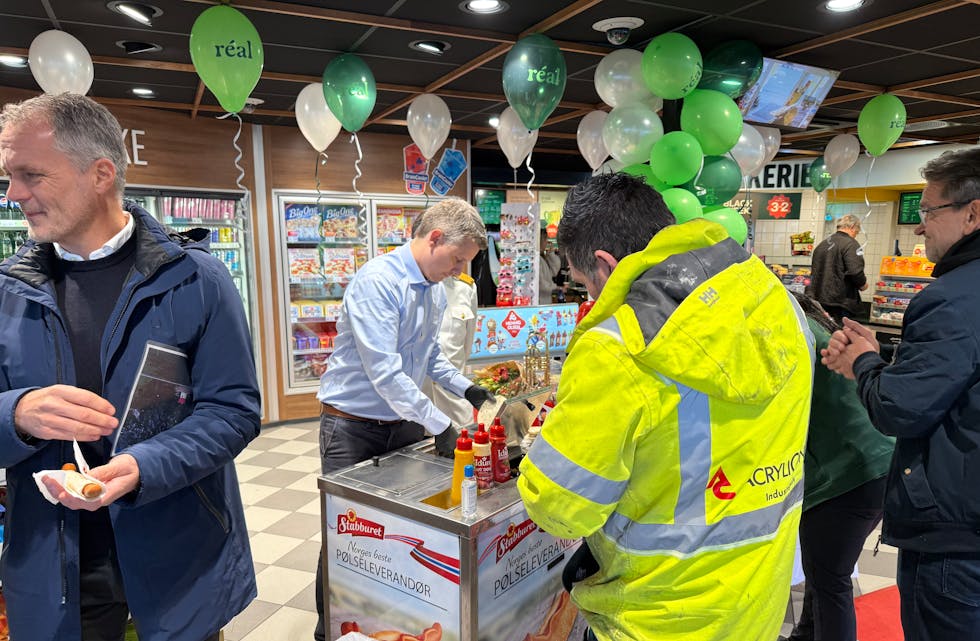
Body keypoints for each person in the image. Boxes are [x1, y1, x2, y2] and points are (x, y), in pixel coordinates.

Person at [0, 93, 260, 641]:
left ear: (100, 174)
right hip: (56, 566)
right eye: (9, 175)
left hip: (178, 553)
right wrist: (16, 414)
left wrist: (146, 464)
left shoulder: (199, 280)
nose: (13, 193)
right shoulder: (5, 292)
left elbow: (233, 410)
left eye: (30, 175)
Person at [516, 172, 814, 641]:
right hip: (756, 605)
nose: (590, 300)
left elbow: (562, 509)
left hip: (653, 616)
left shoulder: (618, 347)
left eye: (583, 285)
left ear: (604, 264)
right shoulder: (779, 304)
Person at [313, 197, 493, 641]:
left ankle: (391, 623)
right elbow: (386, 374)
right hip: (351, 427)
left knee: (402, 530)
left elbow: (429, 357)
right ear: (434, 238)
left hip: (403, 424)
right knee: (346, 531)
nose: (458, 270)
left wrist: (466, 388)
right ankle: (329, 630)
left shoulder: (433, 288)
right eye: (456, 259)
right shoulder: (379, 281)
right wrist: (441, 425)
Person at [821, 147, 980, 641]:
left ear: (972, 213)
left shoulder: (951, 298)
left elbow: (900, 408)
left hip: (954, 534)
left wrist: (864, 362)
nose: (920, 226)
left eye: (929, 210)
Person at [784, 293, 894, 641]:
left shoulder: (792, 333)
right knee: (824, 571)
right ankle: (806, 634)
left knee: (830, 581)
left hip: (848, 474)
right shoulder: (817, 325)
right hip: (878, 462)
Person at [422, 272, 479, 427]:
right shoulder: (410, 287)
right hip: (418, 406)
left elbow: (466, 346)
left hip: (455, 407)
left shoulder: (465, 288)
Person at [805, 214, 868, 324]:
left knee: (826, 334)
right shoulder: (851, 244)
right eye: (856, 232)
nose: (855, 235)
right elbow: (855, 271)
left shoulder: (823, 244)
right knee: (840, 337)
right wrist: (863, 284)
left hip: (820, 300)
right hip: (841, 303)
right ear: (852, 227)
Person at [538, 227, 561, 304]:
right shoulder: (537, 259)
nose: (547, 242)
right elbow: (541, 284)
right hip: (540, 301)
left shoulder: (542, 258)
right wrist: (556, 287)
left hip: (545, 300)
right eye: (545, 239)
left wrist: (551, 254)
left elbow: (554, 271)